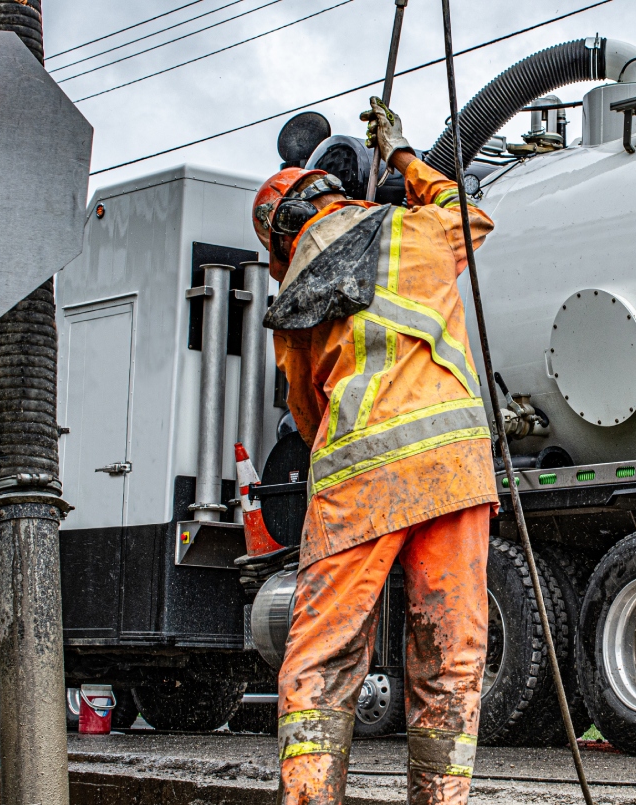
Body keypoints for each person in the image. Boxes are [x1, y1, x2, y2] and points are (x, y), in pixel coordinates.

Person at [251, 98, 496, 805]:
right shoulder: (418, 229)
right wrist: (402, 157)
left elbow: (304, 413)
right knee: (449, 661)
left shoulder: (297, 289)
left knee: (321, 660)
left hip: (361, 481)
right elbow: (474, 217)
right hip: (455, 471)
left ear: (282, 237)